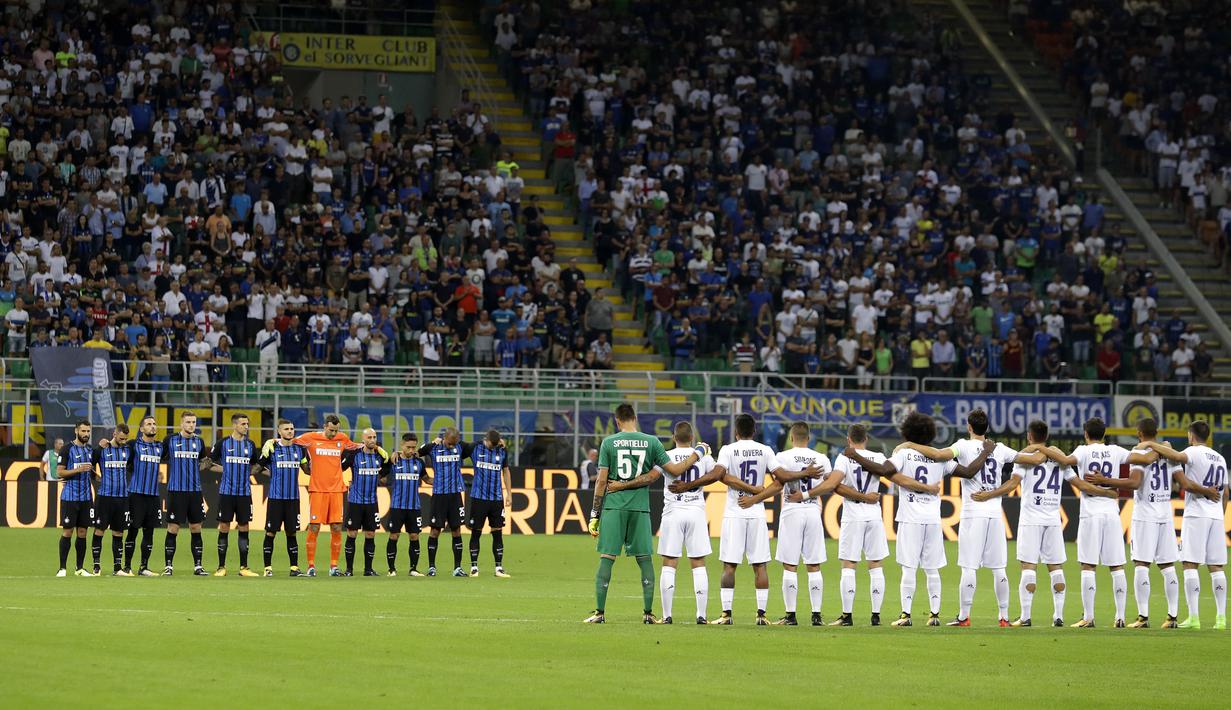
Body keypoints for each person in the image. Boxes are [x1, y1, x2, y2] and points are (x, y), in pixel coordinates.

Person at [844, 412, 991, 627]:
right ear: (930, 433)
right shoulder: (940, 457)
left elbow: (883, 470)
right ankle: (934, 615)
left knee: (909, 568)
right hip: (932, 519)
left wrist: (855, 456)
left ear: (907, 432)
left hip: (910, 517)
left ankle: (906, 615)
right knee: (932, 570)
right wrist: (985, 453)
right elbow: (969, 472)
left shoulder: (904, 453)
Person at [907, 409, 1045, 626]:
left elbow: (937, 455)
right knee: (999, 567)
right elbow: (1037, 459)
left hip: (973, 512)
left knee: (969, 567)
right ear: (987, 428)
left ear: (969, 427)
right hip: (995, 514)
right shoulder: (999, 448)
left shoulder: (962, 445)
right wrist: (1042, 447)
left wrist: (909, 445)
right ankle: (1004, 617)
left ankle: (964, 616)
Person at [972, 420, 1113, 627]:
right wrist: (1106, 491)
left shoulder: (1027, 458)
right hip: (1053, 519)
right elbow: (1079, 484)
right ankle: (1058, 616)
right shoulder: (1059, 459)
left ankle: (1026, 616)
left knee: (1028, 566)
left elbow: (1012, 484)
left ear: (1029, 436)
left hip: (1031, 519)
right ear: (1046, 436)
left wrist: (989, 495)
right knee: (1055, 567)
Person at [584, 403, 701, 624]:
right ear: (635, 418)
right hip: (640, 507)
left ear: (617, 420)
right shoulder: (652, 442)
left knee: (607, 557)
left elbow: (601, 481)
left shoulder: (609, 443)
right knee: (644, 559)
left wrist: (594, 514)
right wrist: (698, 454)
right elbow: (674, 471)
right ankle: (648, 613)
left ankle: (599, 613)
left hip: (614, 507)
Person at [1037, 417, 1153, 627]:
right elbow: (1144, 459)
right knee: (1116, 566)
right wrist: (1154, 446)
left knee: (1088, 566)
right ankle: (1120, 617)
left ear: (1086, 433)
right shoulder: (1116, 450)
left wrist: (1041, 448)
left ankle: (1088, 617)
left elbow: (1064, 461)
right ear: (1105, 433)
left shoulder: (1083, 451)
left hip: (1090, 512)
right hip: (1111, 513)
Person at [709, 413, 817, 626]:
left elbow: (721, 475)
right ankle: (761, 615)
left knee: (729, 565)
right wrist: (805, 473)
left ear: (736, 432)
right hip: (758, 513)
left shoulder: (728, 450)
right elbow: (782, 478)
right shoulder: (765, 450)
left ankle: (726, 615)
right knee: (760, 566)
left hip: (735, 511)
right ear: (754, 431)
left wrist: (747, 493)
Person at [737, 422, 836, 625]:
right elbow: (829, 484)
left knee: (790, 565)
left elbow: (776, 485)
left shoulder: (782, 457)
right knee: (814, 564)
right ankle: (816, 615)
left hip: (791, 511)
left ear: (791, 438)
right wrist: (809, 493)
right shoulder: (821, 458)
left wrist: (756, 498)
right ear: (809, 438)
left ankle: (790, 615)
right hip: (813, 511)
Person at [1086, 418, 1176, 628]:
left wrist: (1105, 480)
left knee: (1142, 563)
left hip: (1146, 513)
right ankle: (1172, 617)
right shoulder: (1168, 453)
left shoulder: (1140, 452)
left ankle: (1143, 617)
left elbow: (1135, 483)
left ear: (1138, 433)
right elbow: (1180, 478)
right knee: (1168, 565)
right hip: (1165, 512)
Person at [1140, 420, 1228, 629]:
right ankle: (1221, 619)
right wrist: (1220, 515)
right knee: (1216, 567)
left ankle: (1194, 618)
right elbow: (1226, 493)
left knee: (1190, 563)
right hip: (1216, 516)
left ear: (1190, 435)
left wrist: (1152, 445)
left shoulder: (1194, 452)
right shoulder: (1220, 458)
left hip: (1197, 514)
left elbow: (1177, 457)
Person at [656, 422, 722, 624]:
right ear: (692, 438)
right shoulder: (703, 455)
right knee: (698, 563)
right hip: (696, 512)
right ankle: (701, 615)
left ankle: (667, 615)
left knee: (669, 563)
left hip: (673, 512)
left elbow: (653, 475)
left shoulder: (665, 455)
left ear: (674, 438)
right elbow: (717, 474)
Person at [827, 425, 892, 626]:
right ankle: (876, 616)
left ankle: (847, 616)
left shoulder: (844, 457)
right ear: (866, 438)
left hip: (853, 514)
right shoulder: (879, 457)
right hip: (874, 514)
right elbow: (887, 472)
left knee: (849, 565)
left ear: (848, 439)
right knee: (875, 565)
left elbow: (835, 485)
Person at [293, 414, 363, 576]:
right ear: (325, 426)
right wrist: (272, 441)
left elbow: (357, 446)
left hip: (337, 489)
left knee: (337, 527)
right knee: (315, 526)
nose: (333, 434)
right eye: (331, 430)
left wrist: (377, 447)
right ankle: (311, 566)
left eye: (336, 430)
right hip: (317, 490)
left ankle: (334, 566)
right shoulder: (310, 438)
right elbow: (291, 441)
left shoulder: (342, 438)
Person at [203, 414, 258, 576]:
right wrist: (225, 469)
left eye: (247, 424)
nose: (246, 427)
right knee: (225, 527)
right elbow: (208, 464)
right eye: (243, 424)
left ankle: (244, 568)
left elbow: (255, 466)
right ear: (235, 425)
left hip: (244, 493)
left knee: (244, 526)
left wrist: (247, 473)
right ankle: (221, 567)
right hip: (226, 493)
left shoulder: (251, 445)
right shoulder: (222, 443)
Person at [255, 419, 309, 577]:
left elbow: (307, 470)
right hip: (276, 498)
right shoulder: (272, 448)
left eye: (292, 428)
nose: (290, 431)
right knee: (271, 532)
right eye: (286, 429)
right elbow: (258, 468)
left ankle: (294, 568)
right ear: (279, 431)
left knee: (292, 533)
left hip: (293, 499)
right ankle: (268, 568)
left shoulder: (300, 450)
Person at [161, 412, 208, 576]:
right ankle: (168, 566)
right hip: (176, 491)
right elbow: (159, 456)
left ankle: (198, 566)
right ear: (181, 424)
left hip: (195, 491)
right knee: (173, 528)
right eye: (188, 422)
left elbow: (203, 461)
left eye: (194, 422)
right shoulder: (170, 440)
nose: (191, 425)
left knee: (196, 527)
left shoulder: (199, 441)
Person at [341, 428, 390, 576]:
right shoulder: (354, 455)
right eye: (369, 437)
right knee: (352, 534)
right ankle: (349, 570)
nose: (372, 440)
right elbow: (339, 467)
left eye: (374, 437)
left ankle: (368, 569)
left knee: (370, 534)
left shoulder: (379, 456)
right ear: (363, 439)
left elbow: (387, 469)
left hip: (371, 502)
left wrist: (383, 469)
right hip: (355, 501)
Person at [119, 417, 164, 576]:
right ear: (141, 429)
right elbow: (119, 451)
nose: (152, 426)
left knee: (149, 532)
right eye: (148, 424)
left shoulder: (160, 447)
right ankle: (127, 566)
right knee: (133, 530)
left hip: (153, 496)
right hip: (136, 495)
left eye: (154, 424)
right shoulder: (133, 445)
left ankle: (143, 567)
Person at [466, 430, 513, 578]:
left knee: (497, 533)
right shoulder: (475, 447)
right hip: (478, 498)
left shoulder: (502, 450)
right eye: (491, 445)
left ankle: (499, 568)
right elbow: (455, 449)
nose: (492, 447)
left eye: (495, 445)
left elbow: (506, 472)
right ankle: (474, 567)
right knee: (476, 532)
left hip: (496, 499)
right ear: (486, 439)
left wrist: (509, 494)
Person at [382, 433, 430, 576]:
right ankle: (391, 569)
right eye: (408, 447)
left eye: (413, 447)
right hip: (397, 506)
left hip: (414, 507)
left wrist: (442, 481)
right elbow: (382, 477)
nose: (411, 450)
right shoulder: (393, 461)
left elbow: (427, 479)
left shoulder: (419, 463)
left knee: (414, 536)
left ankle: (413, 569)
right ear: (402, 445)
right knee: (394, 535)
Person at [55, 421, 96, 577]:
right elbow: (60, 472)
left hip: (86, 498)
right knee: (67, 531)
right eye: (83, 430)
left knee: (83, 532)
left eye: (88, 431)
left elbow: (91, 469)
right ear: (76, 431)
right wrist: (78, 469)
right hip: (70, 497)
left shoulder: (90, 450)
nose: (86, 434)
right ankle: (62, 568)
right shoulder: (67, 449)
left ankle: (79, 568)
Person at [91, 424, 132, 576]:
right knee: (99, 530)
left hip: (122, 498)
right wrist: (95, 476)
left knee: (118, 533)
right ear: (114, 433)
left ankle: (117, 568)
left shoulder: (127, 450)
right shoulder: (103, 449)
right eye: (121, 438)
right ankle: (96, 566)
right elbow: (91, 462)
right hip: (105, 497)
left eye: (126, 438)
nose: (123, 440)